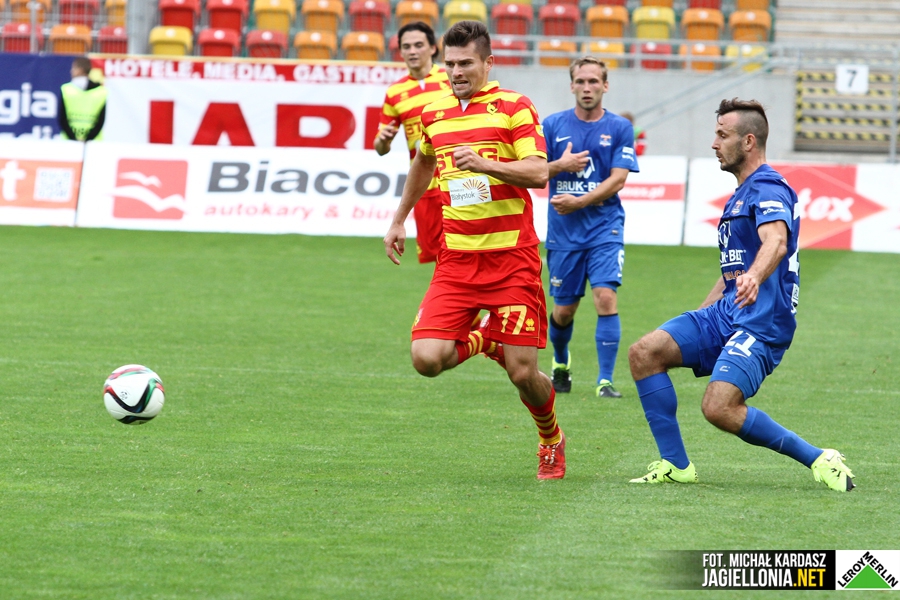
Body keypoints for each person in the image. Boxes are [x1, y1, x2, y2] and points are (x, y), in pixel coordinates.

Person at [627, 98, 855, 492]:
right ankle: (676, 465)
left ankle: (820, 458)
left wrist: (754, 275)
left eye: (722, 134)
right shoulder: (741, 193)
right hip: (726, 312)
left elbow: (776, 241)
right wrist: (699, 317)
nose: (714, 143)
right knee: (645, 353)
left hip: (762, 321)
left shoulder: (768, 187)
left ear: (748, 141)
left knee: (718, 408)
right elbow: (733, 270)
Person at [383, 21, 566, 479]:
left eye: (466, 63)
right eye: (450, 64)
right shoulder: (435, 112)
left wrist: (485, 163)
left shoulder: (514, 107)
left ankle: (550, 438)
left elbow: (537, 172)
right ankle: (486, 337)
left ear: (488, 63)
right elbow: (423, 163)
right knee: (426, 360)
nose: (457, 72)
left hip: (512, 261)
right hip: (457, 261)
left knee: (523, 374)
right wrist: (399, 218)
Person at [542, 57, 639, 399]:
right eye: (581, 81)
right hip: (564, 233)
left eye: (593, 81)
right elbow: (533, 171)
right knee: (563, 311)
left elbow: (618, 179)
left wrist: (580, 201)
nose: (587, 88)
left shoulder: (620, 127)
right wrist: (561, 165)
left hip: (604, 228)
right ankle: (560, 361)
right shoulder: (552, 125)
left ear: (605, 86)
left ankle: (605, 381)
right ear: (572, 86)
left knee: (606, 297)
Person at [375, 22, 450, 264]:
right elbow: (380, 149)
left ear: (433, 48)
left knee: (465, 250)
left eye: (419, 45)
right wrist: (383, 140)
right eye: (406, 47)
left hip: (455, 178)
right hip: (424, 185)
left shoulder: (451, 79)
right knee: (437, 257)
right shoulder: (395, 92)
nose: (412, 51)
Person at [58, 56, 106, 142]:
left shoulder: (66, 89)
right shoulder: (101, 91)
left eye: (74, 68)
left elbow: (62, 119)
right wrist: (87, 139)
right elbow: (100, 121)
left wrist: (74, 138)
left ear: (80, 70)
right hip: (93, 142)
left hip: (69, 142)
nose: (71, 71)